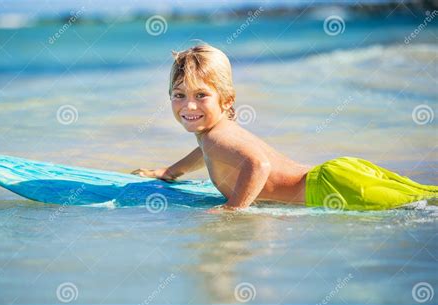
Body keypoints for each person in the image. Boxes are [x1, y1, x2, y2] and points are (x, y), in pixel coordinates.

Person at [132, 44, 437, 211]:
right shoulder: (213, 135)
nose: (189, 106)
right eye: (179, 95)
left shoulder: (216, 137)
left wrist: (233, 209)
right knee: (424, 194)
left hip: (332, 189)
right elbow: (204, 153)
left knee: (420, 204)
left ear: (226, 100)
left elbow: (258, 164)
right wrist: (169, 172)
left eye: (201, 95)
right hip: (337, 175)